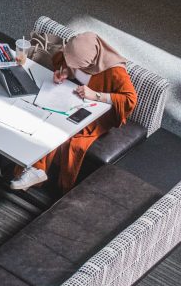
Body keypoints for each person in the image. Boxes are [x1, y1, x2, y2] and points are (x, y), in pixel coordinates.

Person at [13, 26, 139, 193]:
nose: (72, 65)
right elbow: (65, 62)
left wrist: (97, 95)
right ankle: (36, 169)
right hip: (73, 98)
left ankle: (39, 172)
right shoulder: (76, 51)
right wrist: (63, 72)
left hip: (98, 111)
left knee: (64, 131)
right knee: (44, 119)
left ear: (91, 61)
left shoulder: (115, 71)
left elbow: (130, 99)